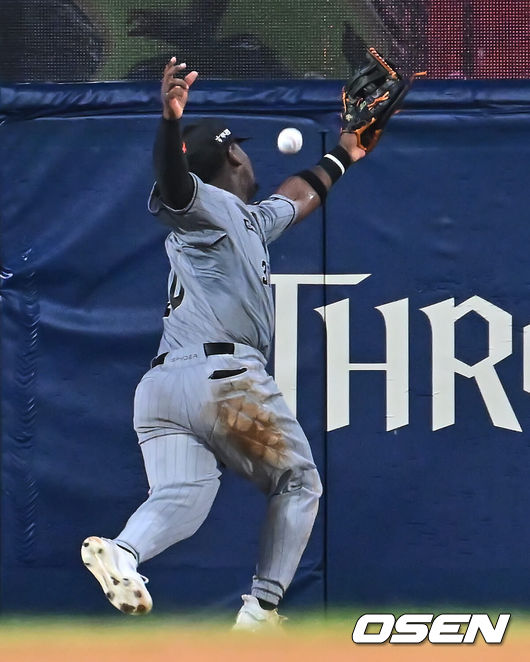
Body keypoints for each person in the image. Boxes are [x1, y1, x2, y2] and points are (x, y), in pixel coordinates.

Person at [81, 56, 366, 629]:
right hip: (224, 384)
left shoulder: (247, 221)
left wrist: (345, 152)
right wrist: (168, 121)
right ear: (234, 154)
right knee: (298, 480)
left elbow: (299, 194)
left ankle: (126, 552)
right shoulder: (203, 206)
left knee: (184, 491)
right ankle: (261, 612)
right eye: (242, 148)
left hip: (162, 391)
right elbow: (174, 182)